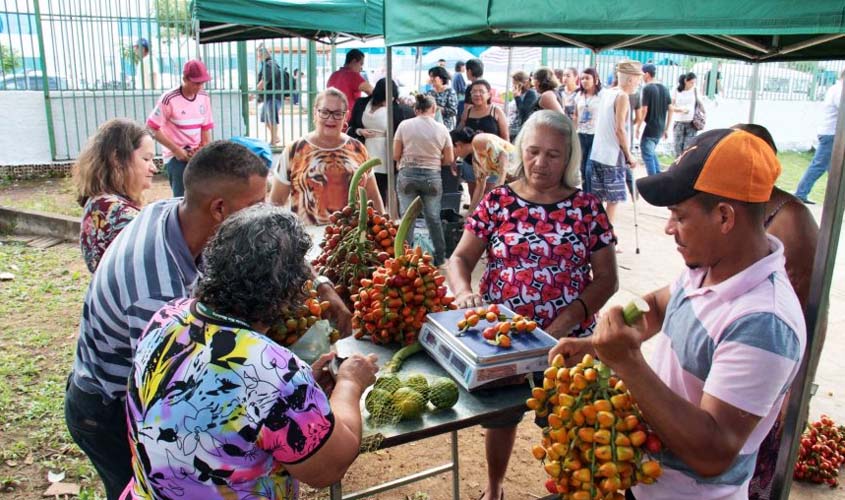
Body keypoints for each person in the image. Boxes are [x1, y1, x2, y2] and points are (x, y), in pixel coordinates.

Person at [65, 141, 347, 500]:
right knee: (161, 481)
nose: (263, 214)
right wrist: (291, 386)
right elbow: (198, 393)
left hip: (149, 393)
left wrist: (320, 284)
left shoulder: (180, 216)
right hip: (107, 407)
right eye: (255, 206)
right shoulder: (157, 294)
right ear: (219, 209)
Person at [551, 128, 806, 500]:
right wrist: (597, 345)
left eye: (679, 216)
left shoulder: (764, 322)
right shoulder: (708, 266)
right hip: (647, 480)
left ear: (724, 217)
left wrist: (629, 362)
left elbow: (713, 451)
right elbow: (656, 306)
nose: (669, 228)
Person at [124, 203, 379, 499]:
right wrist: (350, 383)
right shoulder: (274, 372)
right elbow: (328, 467)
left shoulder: (167, 317)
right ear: (287, 293)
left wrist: (301, 393)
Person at [447, 110, 618, 500]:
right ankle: (494, 490)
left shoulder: (587, 209)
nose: (541, 163)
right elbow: (459, 260)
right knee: (502, 419)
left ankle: (570, 489)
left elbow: (608, 280)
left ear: (569, 157)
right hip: (502, 342)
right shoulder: (498, 201)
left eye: (553, 155)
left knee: (567, 424)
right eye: (534, 151)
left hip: (568, 345)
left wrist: (569, 317)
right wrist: (463, 293)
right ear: (521, 150)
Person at [731, 123, 819, 500]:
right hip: (733, 352)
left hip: (768, 365)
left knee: (754, 461)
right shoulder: (732, 207)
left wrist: (794, 391)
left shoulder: (790, 218)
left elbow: (807, 311)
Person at [270, 88, 383, 224]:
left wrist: (383, 229)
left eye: (337, 113)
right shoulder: (294, 150)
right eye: (324, 112)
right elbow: (276, 203)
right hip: (306, 239)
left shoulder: (358, 148)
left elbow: (373, 196)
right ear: (315, 113)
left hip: (351, 239)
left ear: (346, 116)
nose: (330, 118)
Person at [73, 118, 157, 273]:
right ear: (117, 158)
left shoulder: (99, 202)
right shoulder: (115, 212)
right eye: (146, 159)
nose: (154, 168)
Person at [393, 94, 454, 265]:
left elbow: (395, 154)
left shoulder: (404, 125)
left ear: (415, 109)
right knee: (433, 218)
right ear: (433, 109)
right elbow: (449, 159)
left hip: (407, 175)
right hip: (432, 177)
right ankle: (440, 258)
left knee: (407, 218)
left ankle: (404, 258)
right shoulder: (442, 129)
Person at [147, 59, 214, 197]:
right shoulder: (169, 99)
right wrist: (176, 150)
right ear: (184, 79)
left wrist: (204, 148)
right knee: (182, 198)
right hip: (175, 156)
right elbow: (151, 128)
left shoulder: (203, 97)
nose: (199, 87)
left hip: (196, 152)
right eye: (196, 83)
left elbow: (205, 127)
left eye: (202, 83)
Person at [589, 60, 643, 223]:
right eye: (638, 79)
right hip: (612, 157)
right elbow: (620, 129)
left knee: (598, 200)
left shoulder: (607, 92)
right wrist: (629, 155)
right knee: (613, 201)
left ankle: (596, 237)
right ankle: (608, 240)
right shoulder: (622, 96)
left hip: (598, 153)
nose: (638, 83)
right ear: (630, 79)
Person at [349, 78, 414, 202]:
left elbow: (400, 134)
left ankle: (378, 215)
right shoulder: (362, 103)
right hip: (363, 150)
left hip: (385, 154)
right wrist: (359, 131)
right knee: (360, 185)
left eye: (393, 97)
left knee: (380, 188)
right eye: (387, 97)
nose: (391, 100)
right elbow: (351, 125)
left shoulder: (397, 109)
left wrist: (399, 157)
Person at [794, 70, 844, 204]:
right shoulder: (839, 90)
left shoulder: (836, 88)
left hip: (832, 133)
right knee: (820, 165)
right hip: (832, 134)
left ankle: (835, 198)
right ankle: (800, 193)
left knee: (834, 169)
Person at [458, 79, 509, 200]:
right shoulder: (468, 111)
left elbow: (505, 138)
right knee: (473, 195)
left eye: (481, 91)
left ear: (489, 94)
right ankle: (474, 217)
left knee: (489, 197)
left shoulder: (496, 111)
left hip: (492, 162)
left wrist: (503, 162)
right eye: (473, 92)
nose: (477, 94)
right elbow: (460, 132)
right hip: (470, 161)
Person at [450, 127, 516, 213]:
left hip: (520, 172)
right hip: (513, 178)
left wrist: (499, 185)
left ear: (458, 144)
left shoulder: (479, 140)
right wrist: (470, 213)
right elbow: (480, 187)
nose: (453, 153)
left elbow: (504, 154)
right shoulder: (475, 157)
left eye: (451, 149)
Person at [639, 63, 673, 176]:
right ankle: (658, 178)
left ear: (647, 74)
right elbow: (671, 109)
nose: (641, 77)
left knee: (647, 155)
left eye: (642, 74)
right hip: (660, 127)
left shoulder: (647, 88)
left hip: (651, 127)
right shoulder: (665, 88)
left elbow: (644, 110)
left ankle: (652, 181)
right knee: (651, 153)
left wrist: (638, 126)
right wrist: (667, 128)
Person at [326, 49, 374, 122]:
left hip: (331, 117)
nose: (361, 68)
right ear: (354, 61)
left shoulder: (334, 75)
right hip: (348, 119)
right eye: (361, 64)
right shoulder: (352, 76)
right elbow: (372, 91)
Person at [575, 68, 602, 193]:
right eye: (582, 79)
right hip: (581, 134)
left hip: (595, 135)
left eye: (587, 78)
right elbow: (575, 115)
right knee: (581, 168)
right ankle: (586, 195)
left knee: (589, 169)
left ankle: (592, 195)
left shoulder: (601, 96)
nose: (584, 81)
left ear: (595, 80)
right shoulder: (579, 96)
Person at [256, 45, 284, 146]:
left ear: (262, 55)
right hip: (270, 96)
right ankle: (275, 137)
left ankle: (273, 141)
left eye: (258, 56)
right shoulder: (271, 64)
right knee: (265, 118)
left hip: (272, 96)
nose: (257, 58)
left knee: (272, 119)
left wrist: (254, 92)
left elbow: (264, 81)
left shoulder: (268, 65)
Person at [671, 72, 699, 157]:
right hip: (679, 121)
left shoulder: (695, 89)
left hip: (691, 122)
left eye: (694, 83)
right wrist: (680, 110)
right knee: (677, 147)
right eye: (691, 82)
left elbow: (699, 104)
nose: (692, 84)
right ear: (686, 81)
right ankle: (677, 167)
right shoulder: (676, 89)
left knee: (688, 148)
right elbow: (671, 106)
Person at [510, 70, 539, 141]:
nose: (513, 86)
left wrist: (517, 97)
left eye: (515, 83)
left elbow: (524, 112)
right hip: (513, 127)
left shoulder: (530, 93)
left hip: (520, 129)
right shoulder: (521, 93)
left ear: (524, 83)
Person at [427, 65, 458, 129]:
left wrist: (436, 108)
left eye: (434, 76)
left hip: (445, 126)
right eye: (430, 77)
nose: (431, 79)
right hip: (431, 125)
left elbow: (453, 111)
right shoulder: (430, 92)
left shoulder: (450, 92)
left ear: (441, 78)